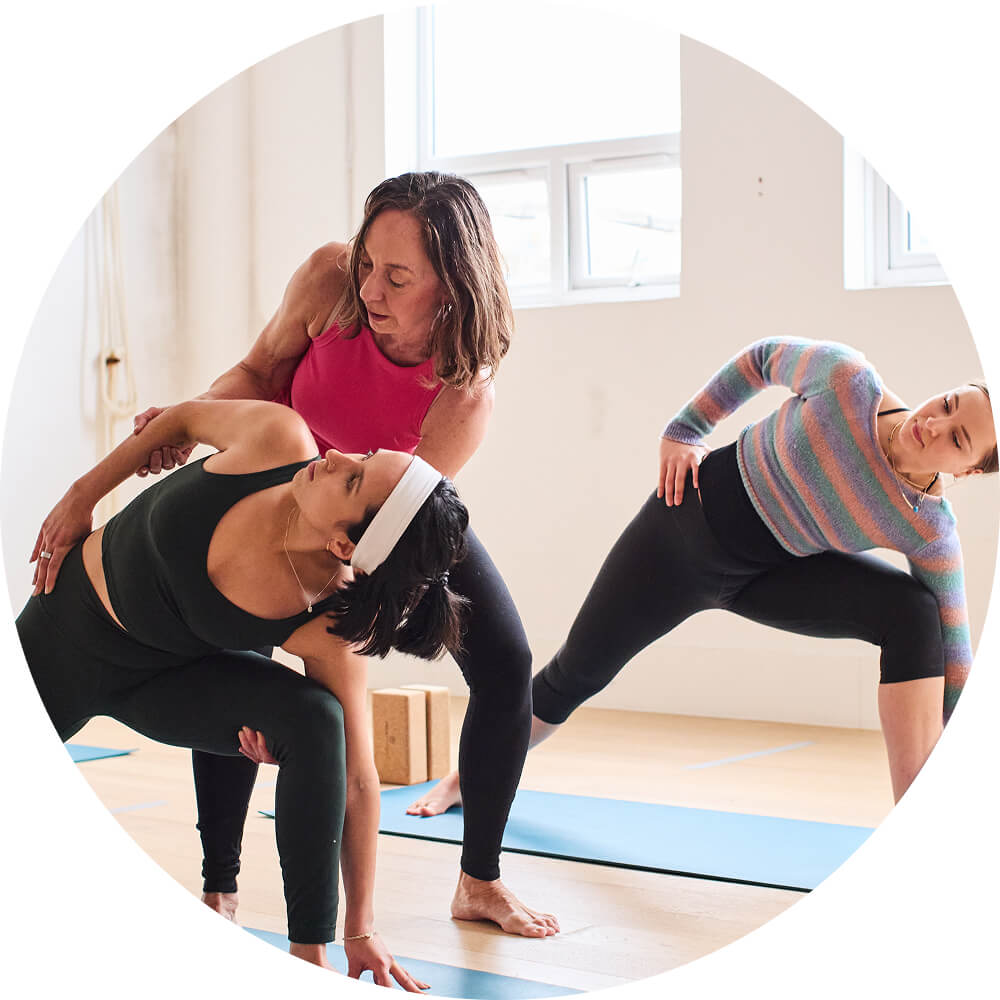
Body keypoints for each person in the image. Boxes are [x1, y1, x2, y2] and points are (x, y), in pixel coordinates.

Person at [33, 171, 557, 938]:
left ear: (451, 285)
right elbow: (257, 373)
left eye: (397, 276)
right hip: (294, 476)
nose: (370, 287)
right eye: (367, 263)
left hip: (369, 508)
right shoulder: (327, 279)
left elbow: (395, 535)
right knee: (236, 645)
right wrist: (203, 430)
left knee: (507, 661)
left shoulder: (463, 396)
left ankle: (479, 880)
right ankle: (221, 889)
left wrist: (324, 647)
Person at [414, 337, 996, 813]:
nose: (935, 424)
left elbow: (954, 643)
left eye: (958, 437)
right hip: (682, 534)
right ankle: (471, 779)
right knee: (574, 675)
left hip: (766, 575)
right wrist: (686, 430)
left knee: (916, 614)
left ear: (967, 471)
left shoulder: (927, 527)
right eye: (947, 404)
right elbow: (762, 358)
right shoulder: (849, 381)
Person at [22, 398, 469, 988]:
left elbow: (358, 776)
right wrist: (82, 495)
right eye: (361, 456)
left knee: (316, 721)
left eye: (353, 477)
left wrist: (360, 925)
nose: (336, 455)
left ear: (343, 546)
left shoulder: (326, 618)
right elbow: (179, 420)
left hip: (163, 679)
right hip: (65, 633)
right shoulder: (277, 441)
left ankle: (308, 959)